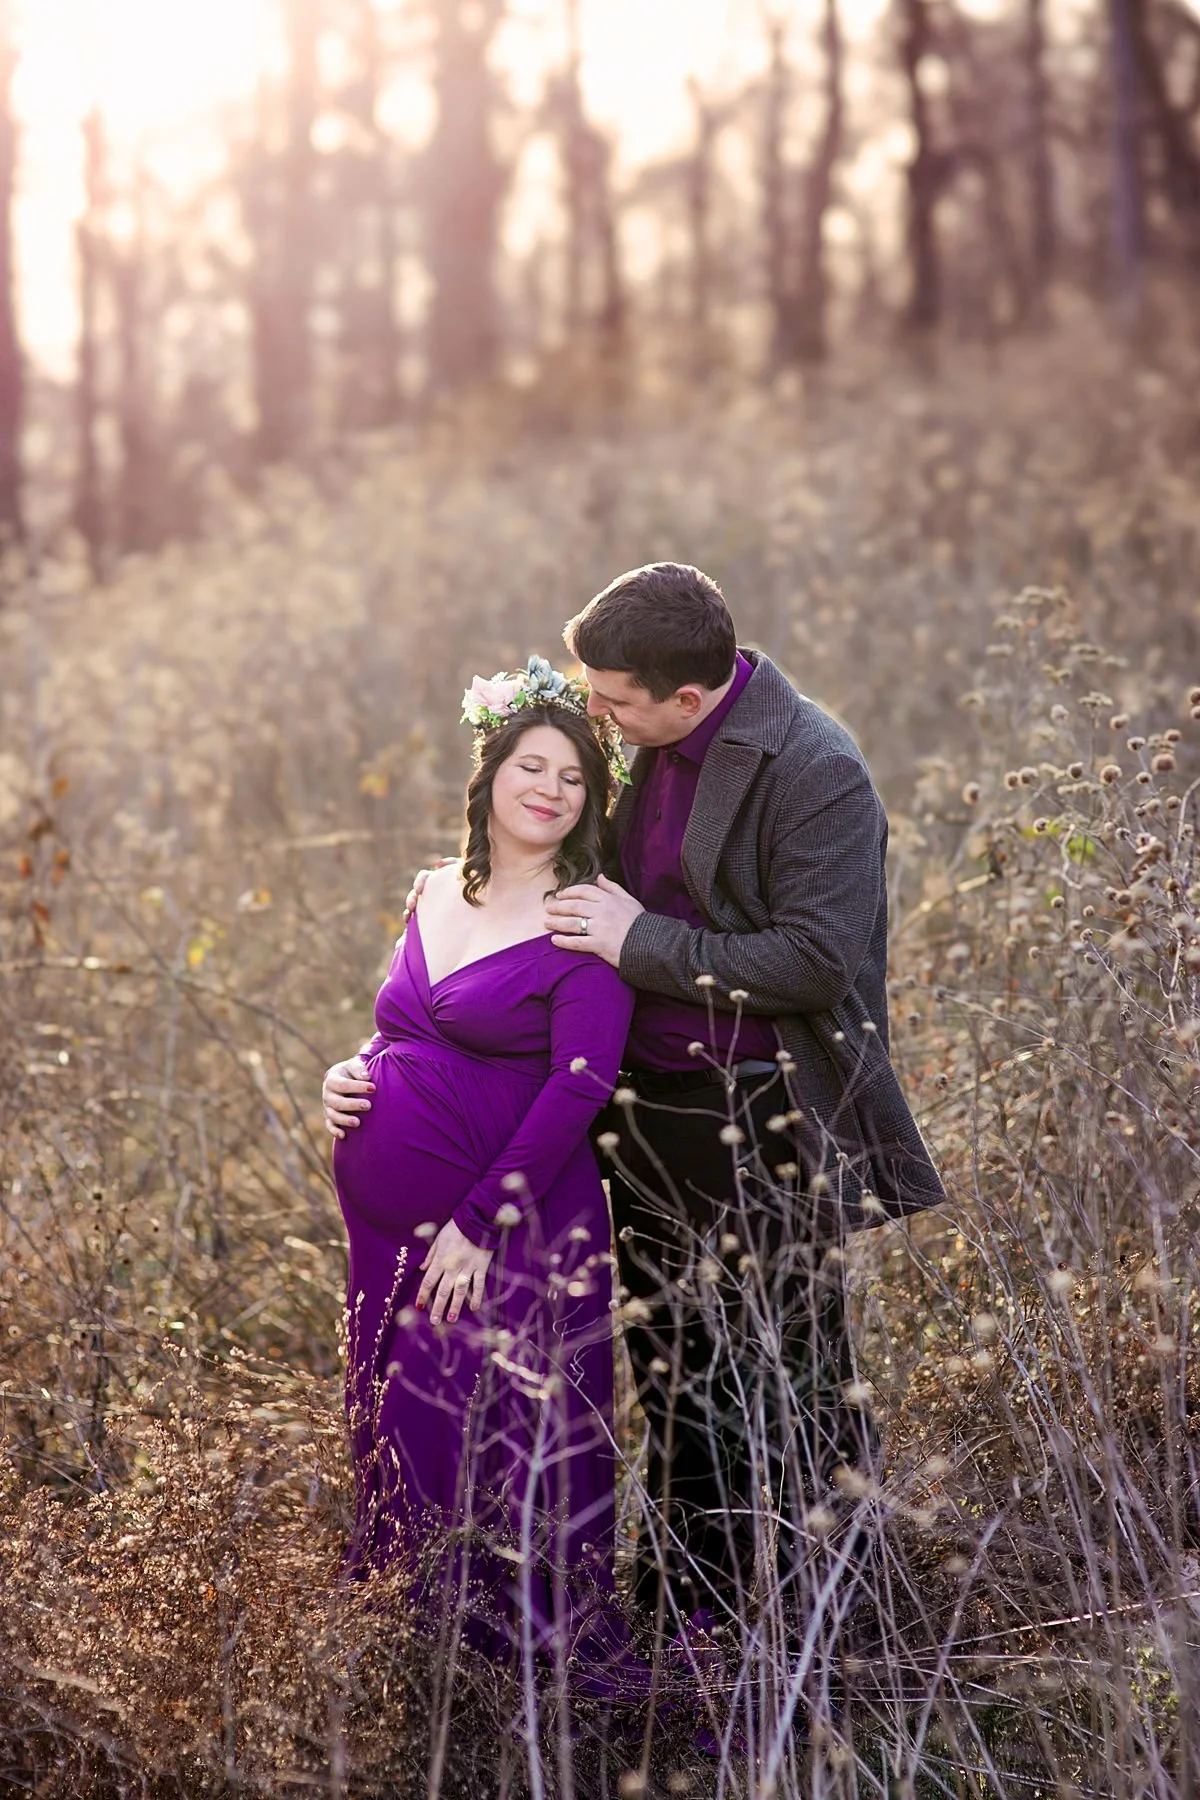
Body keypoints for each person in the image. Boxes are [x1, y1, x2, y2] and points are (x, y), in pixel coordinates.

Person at [535, 563, 947, 1643]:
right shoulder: (642, 741)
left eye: (616, 700)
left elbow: (815, 961)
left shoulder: (817, 770)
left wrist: (643, 944)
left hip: (764, 1116)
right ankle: (687, 1623)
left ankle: (847, 1630)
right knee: (672, 1378)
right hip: (645, 1110)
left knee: (798, 1384)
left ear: (686, 696)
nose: (600, 716)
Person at [325, 655, 651, 1702]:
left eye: (573, 778)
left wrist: (478, 1221)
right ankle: (412, 1659)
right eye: (533, 767)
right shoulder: (432, 886)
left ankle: (519, 1686)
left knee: (498, 1439)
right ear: (492, 775)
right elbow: (400, 1026)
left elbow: (579, 1085)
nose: (551, 790)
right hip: (387, 1235)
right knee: (397, 1420)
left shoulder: (584, 916)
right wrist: (347, 1076)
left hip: (507, 1230)